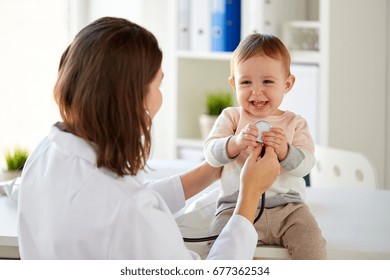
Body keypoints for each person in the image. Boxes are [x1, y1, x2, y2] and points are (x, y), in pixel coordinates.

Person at [17, 17, 280, 260]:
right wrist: (250, 195)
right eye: (159, 85)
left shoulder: (45, 152)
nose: (160, 98)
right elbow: (130, 210)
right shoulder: (133, 215)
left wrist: (211, 170)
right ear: (132, 100)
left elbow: (127, 199)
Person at [205, 33, 327, 259]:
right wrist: (235, 142)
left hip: (289, 209)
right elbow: (211, 154)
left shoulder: (295, 123)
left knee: (313, 244)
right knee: (218, 247)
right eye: (246, 82)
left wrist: (286, 152)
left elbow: (306, 165)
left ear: (287, 84)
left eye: (268, 82)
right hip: (236, 207)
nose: (256, 91)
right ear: (234, 84)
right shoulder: (231, 118)